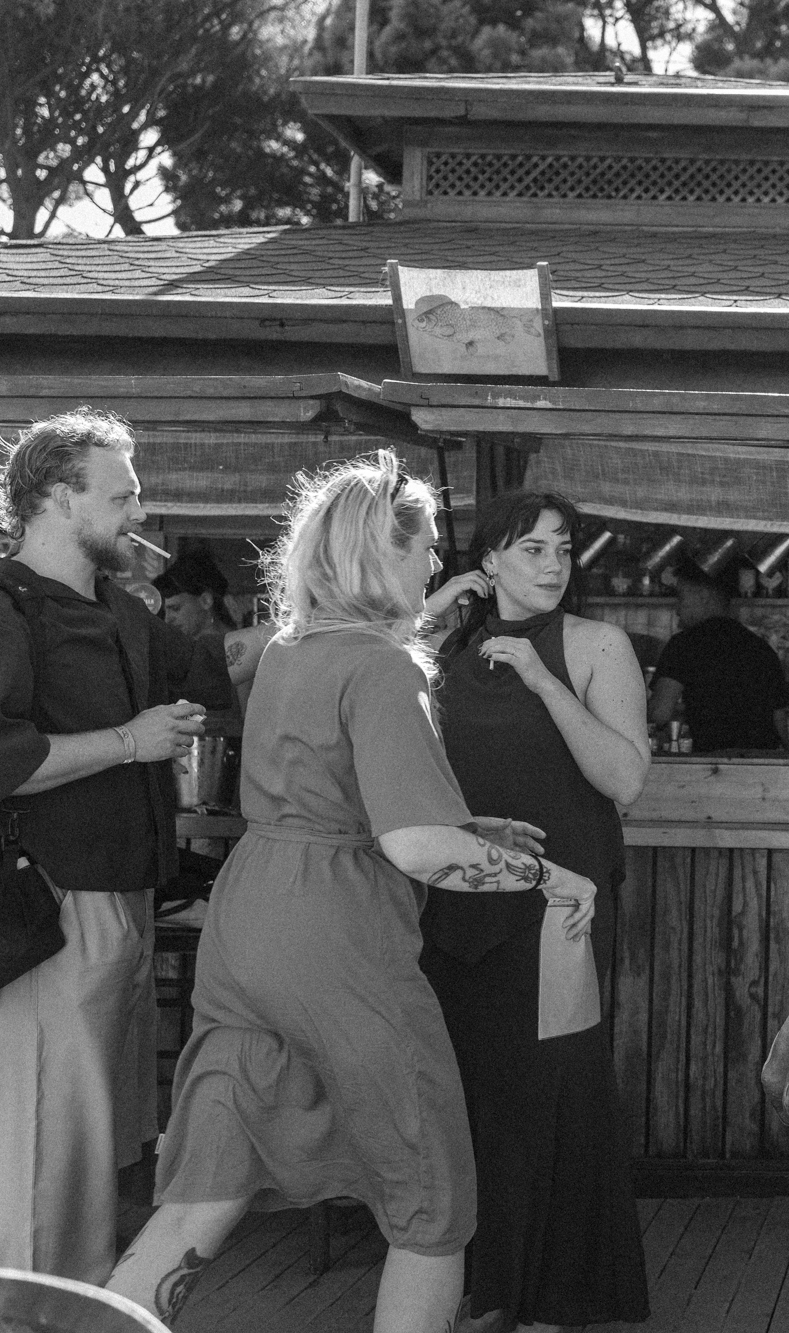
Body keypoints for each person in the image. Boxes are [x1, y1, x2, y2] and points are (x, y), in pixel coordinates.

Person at [105, 451, 600, 1333]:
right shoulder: (384, 665)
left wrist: (469, 827)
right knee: (433, 1201)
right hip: (339, 935)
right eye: (425, 547)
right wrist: (545, 875)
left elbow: (335, 798)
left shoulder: (288, 651)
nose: (435, 565)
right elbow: (412, 845)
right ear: (382, 552)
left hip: (248, 919)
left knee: (201, 1190)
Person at [0, 409, 273, 1283]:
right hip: (49, 911)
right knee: (44, 1145)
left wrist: (327, 607)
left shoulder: (118, 607)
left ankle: (76, 1306)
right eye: (121, 495)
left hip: (124, 902)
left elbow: (213, 665)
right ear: (55, 496)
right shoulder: (6, 604)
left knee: (97, 1146)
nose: (140, 511)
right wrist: (129, 741)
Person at [417, 490, 650, 1331]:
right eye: (532, 549)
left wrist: (543, 679)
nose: (554, 565)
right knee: (462, 1096)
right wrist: (431, 610)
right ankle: (476, 1291)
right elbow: (356, 671)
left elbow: (625, 779)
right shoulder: (441, 646)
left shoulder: (596, 644)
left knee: (551, 1097)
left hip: (560, 907)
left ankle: (552, 1300)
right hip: (452, 901)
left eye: (563, 549)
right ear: (488, 561)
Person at [647, 564, 786, 752]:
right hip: (762, 763)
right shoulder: (762, 649)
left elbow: (659, 713)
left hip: (710, 762)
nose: (677, 609)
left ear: (704, 596)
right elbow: (780, 725)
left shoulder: (684, 644)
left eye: (681, 597)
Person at [154, 546, 237, 640]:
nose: (167, 619)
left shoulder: (237, 643)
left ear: (206, 601)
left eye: (175, 609)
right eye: (164, 612)